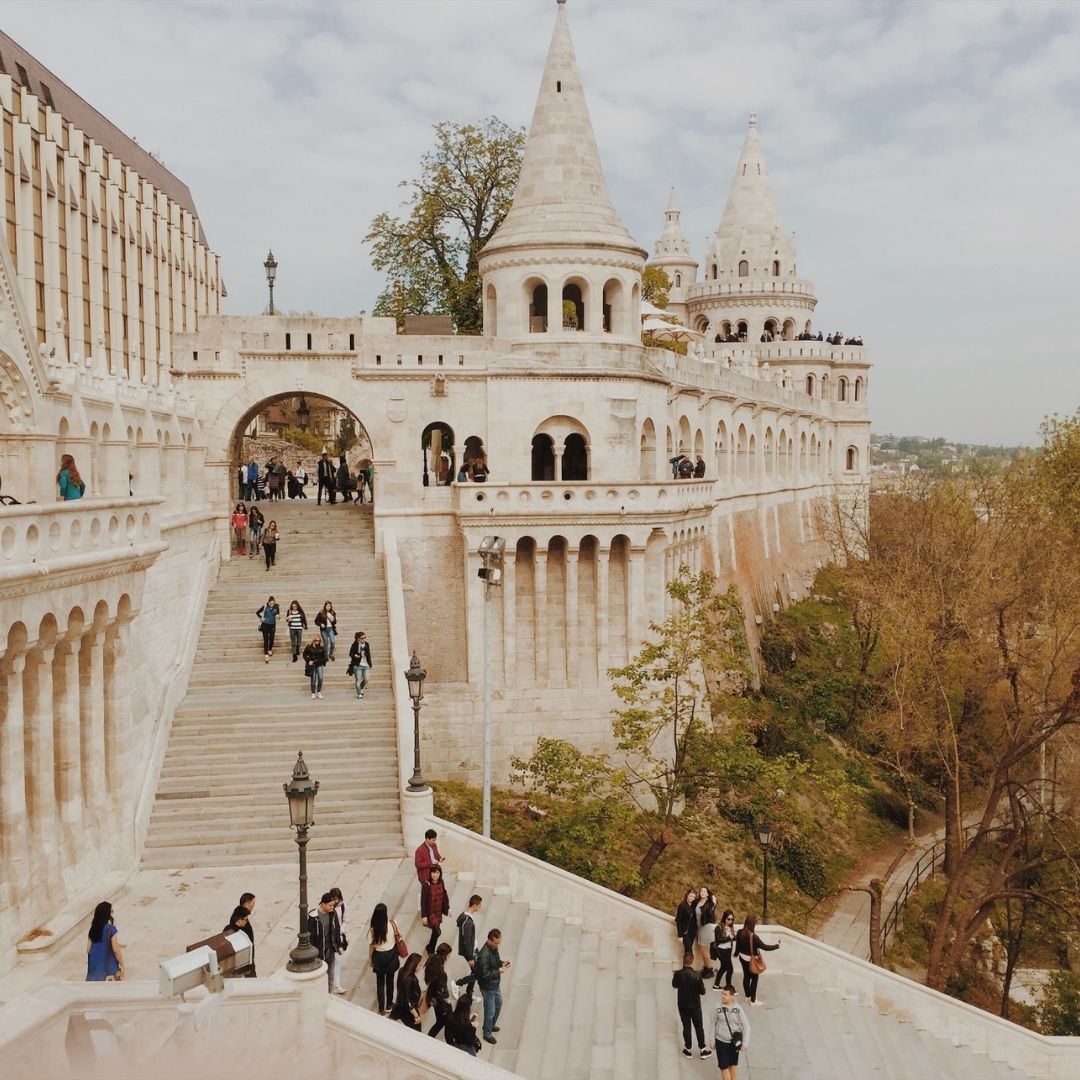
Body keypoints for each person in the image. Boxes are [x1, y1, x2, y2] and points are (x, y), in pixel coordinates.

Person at [474, 928, 509, 1045]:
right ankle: (487, 1033)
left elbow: (496, 961)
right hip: (488, 986)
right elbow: (484, 975)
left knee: (499, 1004)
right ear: (489, 940)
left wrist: (502, 963)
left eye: (499, 942)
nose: (498, 945)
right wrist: (499, 971)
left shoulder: (493, 948)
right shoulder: (484, 955)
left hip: (495, 983)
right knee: (490, 1011)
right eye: (496, 942)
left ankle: (490, 1025)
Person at [735, 915, 779, 1005]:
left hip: (741, 958)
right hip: (751, 960)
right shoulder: (753, 937)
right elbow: (765, 947)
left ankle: (747, 996)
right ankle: (753, 1000)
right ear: (753, 924)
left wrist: (736, 953)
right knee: (754, 978)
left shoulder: (740, 932)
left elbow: (738, 944)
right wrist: (777, 946)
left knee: (746, 976)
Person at [672, 952, 709, 1059]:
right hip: (695, 1006)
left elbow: (674, 985)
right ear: (692, 961)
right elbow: (702, 992)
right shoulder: (697, 976)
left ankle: (688, 1049)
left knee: (686, 1027)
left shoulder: (678, 974)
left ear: (683, 960)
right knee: (699, 1027)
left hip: (683, 1005)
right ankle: (702, 1049)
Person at [367, 902, 401, 1016]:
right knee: (390, 981)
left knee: (380, 983)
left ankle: (381, 1008)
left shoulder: (373, 930)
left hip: (379, 956)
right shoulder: (393, 923)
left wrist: (370, 959)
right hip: (391, 955)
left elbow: (371, 946)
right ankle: (389, 1005)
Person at [307, 892, 344, 993]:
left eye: (333, 905)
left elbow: (336, 930)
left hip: (330, 950)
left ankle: (328, 994)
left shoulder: (332, 914)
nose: (332, 907)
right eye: (330, 905)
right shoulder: (313, 917)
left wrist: (339, 945)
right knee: (319, 977)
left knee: (330, 976)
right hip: (318, 953)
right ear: (323, 904)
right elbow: (310, 936)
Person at [713, 984, 750, 1079]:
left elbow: (746, 1026)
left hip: (734, 1042)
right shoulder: (717, 1007)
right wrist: (711, 1040)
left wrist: (745, 1042)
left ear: (731, 996)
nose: (722, 996)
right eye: (722, 994)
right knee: (724, 1067)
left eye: (725, 994)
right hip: (721, 1041)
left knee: (732, 1065)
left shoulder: (738, 1009)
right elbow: (712, 1024)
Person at [86, 900, 123, 981]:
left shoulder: (92, 930)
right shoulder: (111, 929)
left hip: (93, 973)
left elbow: (88, 949)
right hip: (109, 972)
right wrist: (123, 965)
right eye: (111, 911)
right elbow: (116, 950)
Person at [424, 942, 454, 1039]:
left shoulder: (432, 963)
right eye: (448, 955)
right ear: (445, 955)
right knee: (447, 1021)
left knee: (440, 1022)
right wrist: (446, 1003)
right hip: (441, 1002)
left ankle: (429, 1038)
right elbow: (440, 991)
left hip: (433, 998)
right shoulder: (440, 972)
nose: (449, 957)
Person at [455, 894, 483, 998]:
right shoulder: (467, 922)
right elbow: (466, 941)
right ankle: (458, 983)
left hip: (473, 949)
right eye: (479, 905)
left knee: (475, 972)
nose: (480, 907)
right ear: (475, 905)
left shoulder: (467, 917)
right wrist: (470, 957)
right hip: (471, 951)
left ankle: (469, 993)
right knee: (478, 973)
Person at [420, 864, 450, 956]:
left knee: (435, 932)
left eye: (437, 873)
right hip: (430, 913)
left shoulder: (441, 882)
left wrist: (448, 908)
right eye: (433, 872)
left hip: (438, 911)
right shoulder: (426, 885)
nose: (435, 875)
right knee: (437, 932)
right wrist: (424, 916)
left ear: (440, 873)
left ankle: (429, 947)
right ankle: (430, 950)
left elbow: (444, 895)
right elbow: (423, 901)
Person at [391, 952, 423, 1030]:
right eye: (420, 965)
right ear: (414, 965)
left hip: (400, 1005)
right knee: (417, 1029)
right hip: (407, 1010)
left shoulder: (402, 970)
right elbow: (408, 1000)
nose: (421, 967)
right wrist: (416, 1015)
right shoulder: (410, 979)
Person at [223, 906, 256, 977]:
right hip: (236, 970)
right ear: (239, 919)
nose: (247, 921)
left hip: (248, 968)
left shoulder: (247, 928)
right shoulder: (228, 930)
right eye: (245, 919)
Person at [329, 886, 348, 994]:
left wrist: (341, 931)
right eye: (334, 898)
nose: (336, 901)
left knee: (337, 961)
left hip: (337, 937)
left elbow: (346, 919)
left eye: (338, 898)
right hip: (330, 938)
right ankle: (334, 984)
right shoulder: (329, 907)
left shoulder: (342, 906)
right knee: (333, 961)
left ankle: (336, 984)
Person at [696, 887, 718, 977]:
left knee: (704, 951)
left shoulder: (709, 904)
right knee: (702, 950)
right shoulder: (698, 902)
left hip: (705, 928)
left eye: (704, 891)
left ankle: (709, 970)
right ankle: (706, 968)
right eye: (701, 891)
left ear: (707, 894)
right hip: (699, 928)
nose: (702, 892)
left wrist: (713, 902)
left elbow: (710, 912)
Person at [712, 909, 736, 990]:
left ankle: (716, 986)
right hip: (721, 950)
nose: (730, 921)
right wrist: (729, 938)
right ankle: (729, 987)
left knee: (723, 968)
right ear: (724, 918)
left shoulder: (731, 927)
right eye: (728, 919)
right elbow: (718, 940)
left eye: (732, 919)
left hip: (728, 950)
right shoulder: (718, 927)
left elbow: (733, 938)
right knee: (730, 969)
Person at [675, 888, 698, 959]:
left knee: (687, 951)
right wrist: (680, 935)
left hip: (692, 932)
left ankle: (685, 968)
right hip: (685, 932)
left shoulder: (693, 905)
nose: (692, 898)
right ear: (687, 895)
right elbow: (678, 920)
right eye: (690, 896)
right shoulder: (682, 906)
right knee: (689, 951)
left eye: (694, 897)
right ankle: (687, 968)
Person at [237, 892, 257, 976]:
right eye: (252, 904)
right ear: (247, 904)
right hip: (246, 963)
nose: (253, 906)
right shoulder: (240, 920)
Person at [349, 631, 372, 699]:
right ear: (358, 639)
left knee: (366, 679)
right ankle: (359, 694)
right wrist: (355, 655)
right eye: (362, 638)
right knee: (358, 680)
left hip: (366, 664)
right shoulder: (354, 645)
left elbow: (369, 655)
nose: (364, 639)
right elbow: (350, 654)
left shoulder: (367, 644)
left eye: (365, 637)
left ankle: (361, 688)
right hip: (357, 665)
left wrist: (370, 664)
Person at [303, 633, 327, 699]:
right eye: (316, 640)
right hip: (312, 665)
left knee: (320, 678)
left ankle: (319, 691)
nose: (317, 642)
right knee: (313, 679)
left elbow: (324, 657)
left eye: (319, 641)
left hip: (319, 664)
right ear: (313, 640)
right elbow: (304, 655)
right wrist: (308, 661)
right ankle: (313, 692)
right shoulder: (309, 647)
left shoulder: (321, 648)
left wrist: (322, 662)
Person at [256, 596, 279, 663]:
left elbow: (278, 615)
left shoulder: (276, 607)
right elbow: (257, 612)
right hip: (265, 625)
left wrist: (278, 617)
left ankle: (270, 649)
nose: (272, 604)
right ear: (268, 602)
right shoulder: (265, 606)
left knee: (271, 639)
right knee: (266, 640)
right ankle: (266, 655)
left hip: (272, 625)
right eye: (270, 603)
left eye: (273, 603)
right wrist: (261, 617)